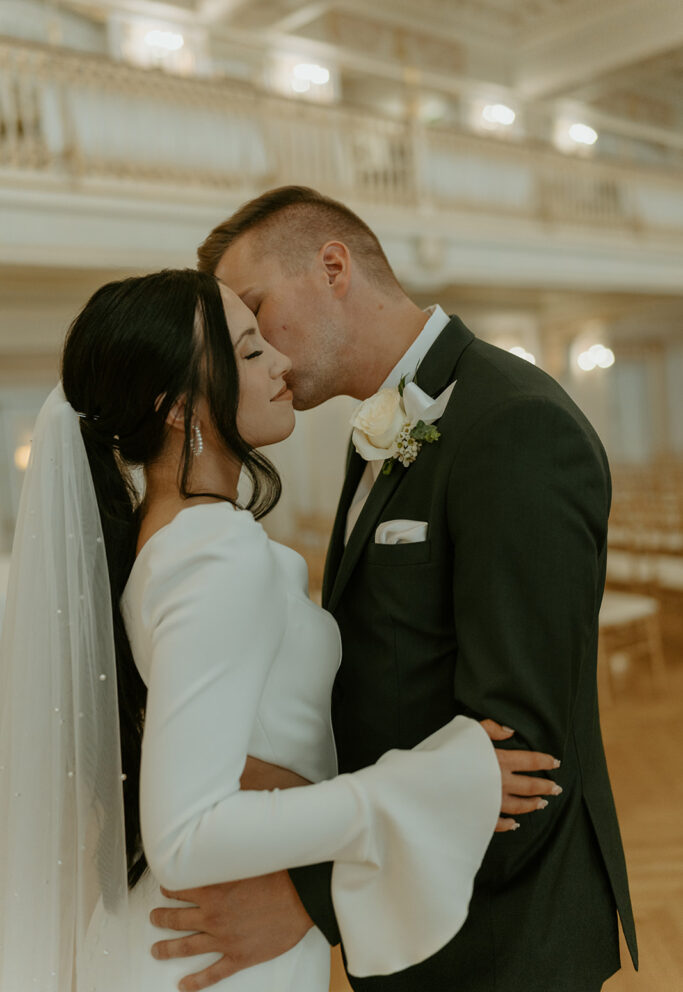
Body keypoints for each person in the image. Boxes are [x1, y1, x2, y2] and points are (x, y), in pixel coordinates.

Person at [0, 269, 559, 992]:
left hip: (210, 933)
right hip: (210, 951)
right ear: (176, 408)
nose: (281, 364)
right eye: (250, 350)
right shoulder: (211, 554)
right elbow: (186, 836)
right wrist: (415, 789)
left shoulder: (174, 538)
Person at [148, 187, 638, 992]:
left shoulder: (513, 425)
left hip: (501, 936)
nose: (260, 352)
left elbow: (523, 747)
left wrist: (311, 902)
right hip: (412, 908)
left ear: (333, 267)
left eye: (258, 310)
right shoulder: (376, 429)